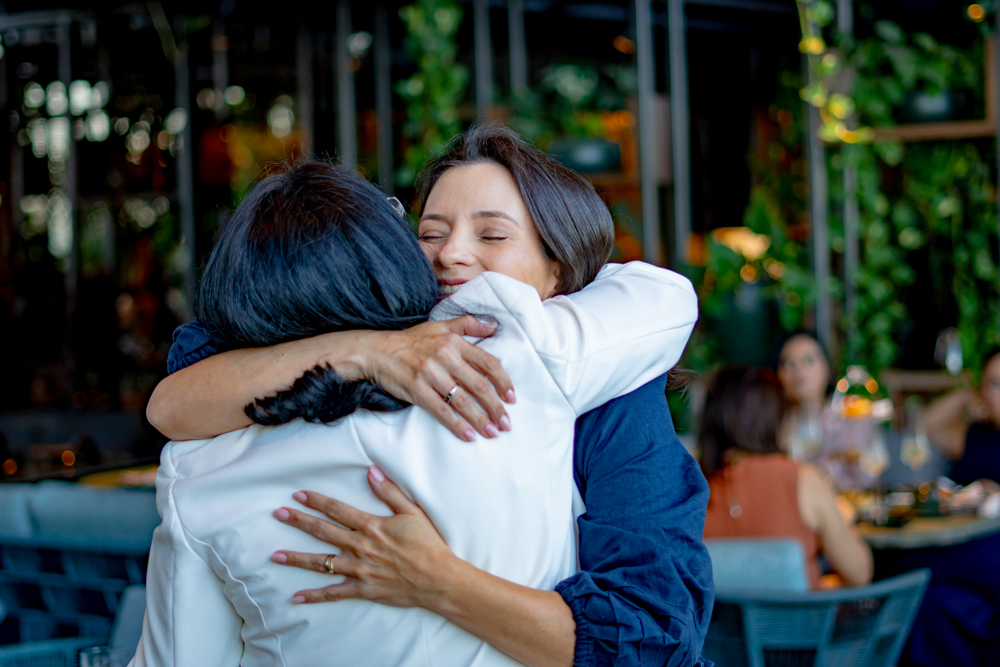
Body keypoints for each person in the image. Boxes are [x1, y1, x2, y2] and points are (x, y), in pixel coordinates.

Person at [138, 127, 710, 666]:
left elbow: (650, 639)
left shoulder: (584, 377)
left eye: (492, 235)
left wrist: (438, 580)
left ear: (558, 271)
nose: (450, 254)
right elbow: (185, 380)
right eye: (430, 234)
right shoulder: (372, 358)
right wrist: (367, 349)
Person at [700, 366, 873, 589]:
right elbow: (859, 572)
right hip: (801, 613)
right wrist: (841, 516)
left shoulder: (688, 484)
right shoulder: (803, 479)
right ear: (774, 418)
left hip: (713, 613)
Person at [923, 346, 1000, 485]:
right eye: (995, 384)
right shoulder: (976, 436)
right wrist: (966, 395)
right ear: (983, 391)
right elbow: (929, 425)